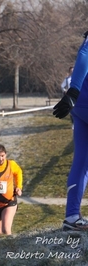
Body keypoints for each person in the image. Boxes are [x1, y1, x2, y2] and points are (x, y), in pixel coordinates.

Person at [53, 31, 88, 231]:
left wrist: (74, 93)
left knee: (82, 162)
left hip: (80, 106)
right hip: (83, 99)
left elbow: (85, 52)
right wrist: (73, 90)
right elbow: (85, 53)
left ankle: (72, 216)